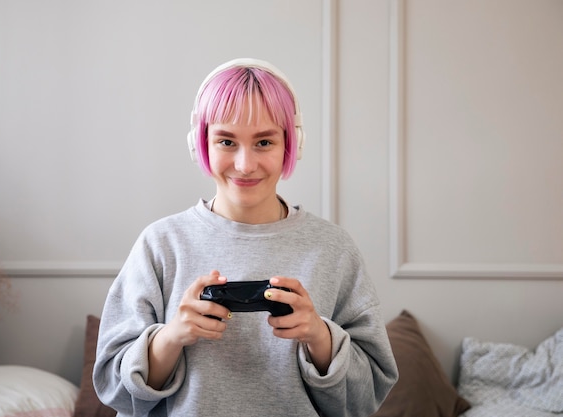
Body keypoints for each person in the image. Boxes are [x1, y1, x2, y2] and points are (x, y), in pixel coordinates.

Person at [93, 58, 398, 417]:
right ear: (200, 144)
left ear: (291, 144)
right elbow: (114, 389)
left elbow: (369, 395)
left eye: (264, 142)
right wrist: (172, 336)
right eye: (226, 141)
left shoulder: (333, 248)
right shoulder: (161, 244)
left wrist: (320, 336)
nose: (244, 164)